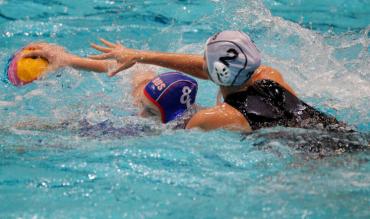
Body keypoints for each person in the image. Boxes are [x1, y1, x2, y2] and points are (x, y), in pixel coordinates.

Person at [81, 31, 353, 132]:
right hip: (342, 134)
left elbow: (156, 117)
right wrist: (141, 56)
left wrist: (140, 79)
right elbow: (206, 68)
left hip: (314, 161)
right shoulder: (270, 77)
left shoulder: (218, 117)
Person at [19, 43, 250, 133]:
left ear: (170, 118)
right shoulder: (147, 90)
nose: (140, 113)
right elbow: (125, 67)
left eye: (149, 112)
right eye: (143, 104)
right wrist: (68, 59)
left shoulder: (184, 126)